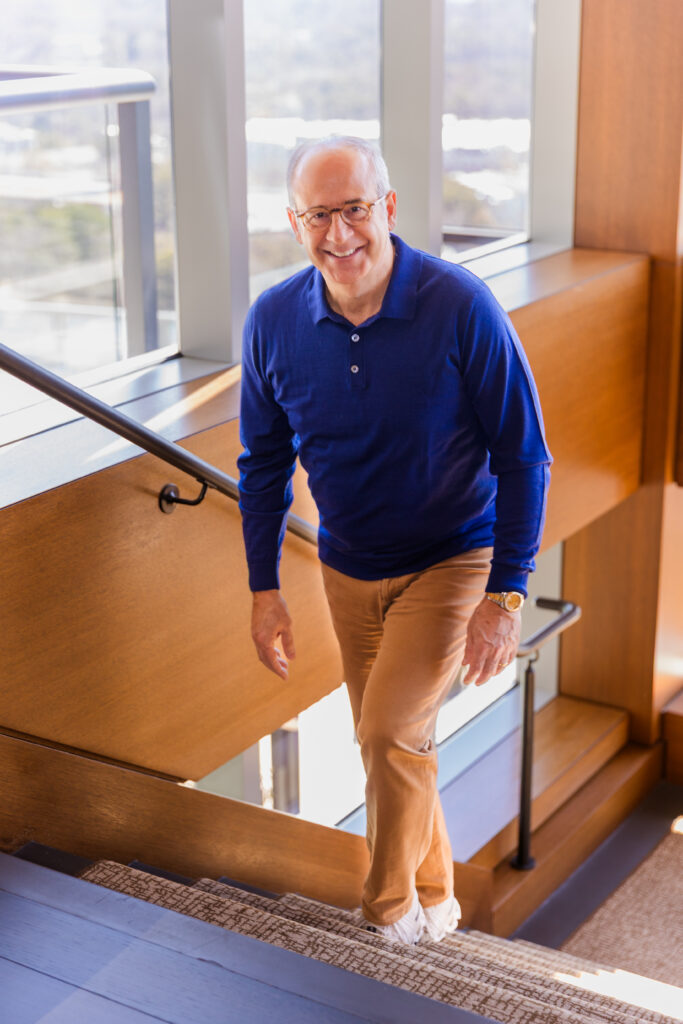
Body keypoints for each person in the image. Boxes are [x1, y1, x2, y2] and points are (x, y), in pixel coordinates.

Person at [237, 136, 551, 945]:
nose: (338, 234)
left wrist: (504, 596)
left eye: (354, 210)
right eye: (318, 215)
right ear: (292, 221)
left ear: (389, 208)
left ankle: (381, 920)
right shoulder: (273, 320)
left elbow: (524, 457)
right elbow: (263, 463)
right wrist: (262, 588)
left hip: (452, 558)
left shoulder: (459, 305)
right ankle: (436, 899)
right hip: (345, 567)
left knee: (385, 734)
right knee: (395, 743)